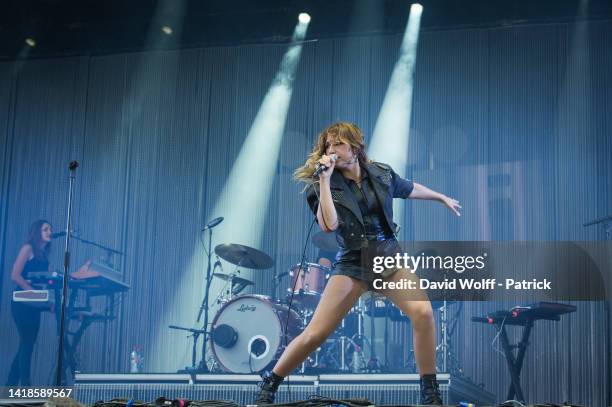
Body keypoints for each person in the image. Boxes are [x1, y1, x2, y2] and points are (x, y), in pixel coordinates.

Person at [256, 122, 461, 405]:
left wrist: (440, 197)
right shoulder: (323, 186)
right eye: (328, 145)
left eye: (338, 143)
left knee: (423, 314)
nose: (332, 150)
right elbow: (329, 225)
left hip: (388, 257)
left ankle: (430, 392)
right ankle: (270, 384)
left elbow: (410, 188)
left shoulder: (381, 173)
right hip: (353, 261)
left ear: (354, 146)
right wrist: (325, 181)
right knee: (316, 333)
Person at [6, 220, 90, 385]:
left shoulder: (44, 256)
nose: (50, 231)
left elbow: (57, 276)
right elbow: (15, 275)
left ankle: (10, 384)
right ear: (37, 231)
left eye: (50, 229)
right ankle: (25, 386)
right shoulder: (27, 249)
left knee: (26, 343)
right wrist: (32, 291)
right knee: (27, 341)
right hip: (21, 301)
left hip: (34, 303)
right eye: (46, 229)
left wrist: (80, 272)